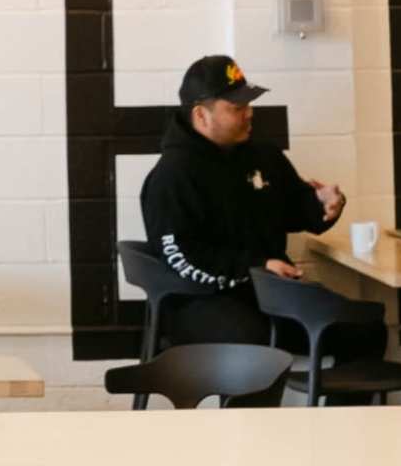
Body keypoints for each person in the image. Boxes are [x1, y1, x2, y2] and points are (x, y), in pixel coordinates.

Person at [138, 55, 345, 350]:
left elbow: (297, 211)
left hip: (268, 292)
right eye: (237, 107)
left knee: (364, 331)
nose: (249, 113)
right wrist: (255, 267)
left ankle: (337, 398)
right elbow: (182, 254)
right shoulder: (172, 176)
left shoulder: (263, 155)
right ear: (201, 116)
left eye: (249, 104)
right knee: (254, 347)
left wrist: (325, 204)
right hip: (200, 300)